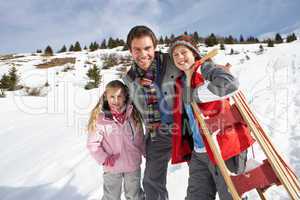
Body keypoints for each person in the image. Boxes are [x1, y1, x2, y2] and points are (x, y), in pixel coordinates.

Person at [168, 35, 255, 200]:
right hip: (199, 152)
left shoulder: (204, 69)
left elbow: (230, 83)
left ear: (194, 53)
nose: (179, 57)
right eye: (175, 55)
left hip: (222, 147)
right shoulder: (180, 83)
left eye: (183, 52)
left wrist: (196, 95)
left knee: (230, 195)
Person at [122, 25, 181, 200]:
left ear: (154, 47)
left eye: (147, 48)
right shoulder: (130, 79)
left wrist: (214, 71)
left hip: (186, 127)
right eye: (137, 49)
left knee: (207, 173)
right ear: (131, 51)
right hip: (158, 133)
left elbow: (195, 63)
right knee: (151, 181)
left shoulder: (171, 61)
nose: (143, 54)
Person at [87, 80, 145, 200]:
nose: (116, 100)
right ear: (106, 97)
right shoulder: (100, 119)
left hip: (132, 165)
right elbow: (93, 144)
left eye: (119, 96)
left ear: (125, 97)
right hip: (112, 166)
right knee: (111, 196)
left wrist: (147, 153)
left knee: (134, 196)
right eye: (112, 97)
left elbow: (140, 139)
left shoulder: (132, 115)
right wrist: (104, 159)